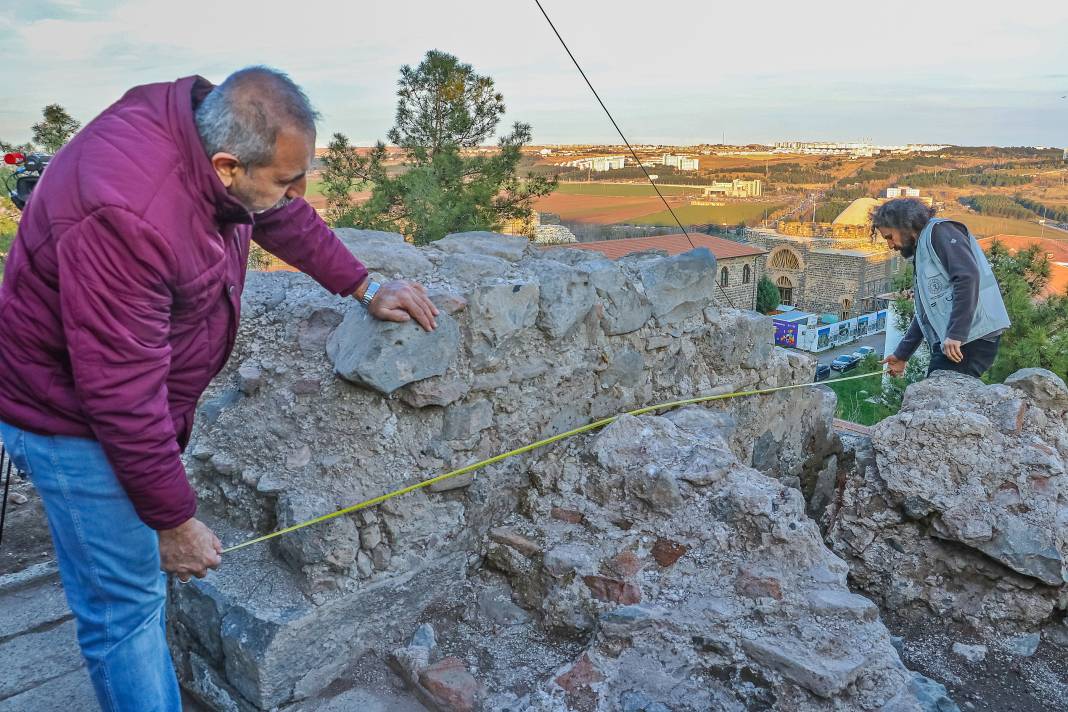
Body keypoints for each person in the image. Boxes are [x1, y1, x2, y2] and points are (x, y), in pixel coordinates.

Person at [0, 67, 438, 711]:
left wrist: (364, 286)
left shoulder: (201, 126)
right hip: (63, 414)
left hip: (111, 395)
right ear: (229, 165)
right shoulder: (129, 215)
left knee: (120, 584)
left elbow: (276, 213)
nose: (299, 191)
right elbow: (122, 396)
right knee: (123, 608)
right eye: (288, 178)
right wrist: (173, 520)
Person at [874, 198, 1010, 379]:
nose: (890, 245)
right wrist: (901, 355)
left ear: (904, 225)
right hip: (958, 340)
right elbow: (926, 313)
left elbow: (967, 277)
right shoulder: (923, 250)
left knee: (937, 398)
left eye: (890, 237)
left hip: (969, 339)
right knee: (941, 398)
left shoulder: (939, 232)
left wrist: (956, 334)